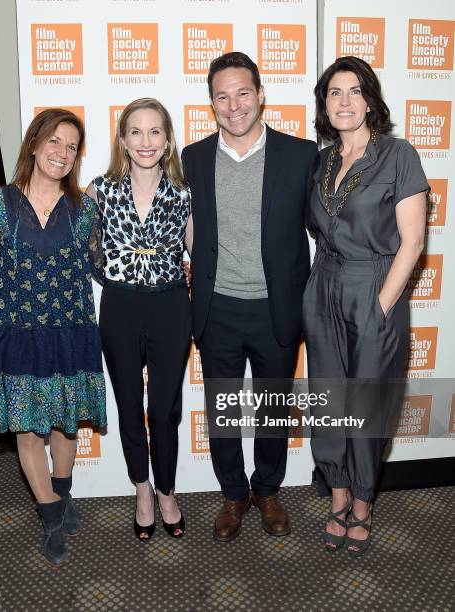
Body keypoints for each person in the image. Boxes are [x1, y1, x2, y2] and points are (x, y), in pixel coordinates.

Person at [181, 52, 318, 542]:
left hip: (277, 309)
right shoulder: (193, 158)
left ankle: (268, 490)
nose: (233, 104)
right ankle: (233, 494)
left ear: (261, 95)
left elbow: (328, 230)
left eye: (243, 92)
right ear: (211, 103)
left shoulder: (302, 155)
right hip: (216, 309)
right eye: (222, 96)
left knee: (272, 408)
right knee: (223, 410)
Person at [0, 108, 107, 566]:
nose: (62, 153)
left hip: (70, 330)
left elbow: (103, 265)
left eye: (71, 146)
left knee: (67, 421)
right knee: (29, 428)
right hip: (17, 333)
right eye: (54, 141)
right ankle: (49, 516)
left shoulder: (85, 208)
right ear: (33, 144)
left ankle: (61, 493)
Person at [303, 56, 428, 555]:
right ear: (324, 104)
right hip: (323, 286)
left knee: (368, 403)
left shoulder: (398, 155)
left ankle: (362, 505)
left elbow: (413, 241)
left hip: (375, 285)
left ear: (371, 99)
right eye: (335, 92)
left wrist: (380, 306)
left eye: (355, 91)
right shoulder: (322, 159)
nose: (345, 101)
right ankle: (337, 494)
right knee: (329, 397)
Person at [86, 98, 193, 541]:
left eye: (154, 132)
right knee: (129, 404)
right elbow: (68, 241)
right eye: (135, 132)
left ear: (167, 140)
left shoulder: (185, 193)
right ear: (123, 140)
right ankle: (142, 489)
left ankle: (167, 489)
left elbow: (201, 255)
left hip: (171, 307)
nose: (145, 141)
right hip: (120, 307)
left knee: (164, 409)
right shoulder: (99, 190)